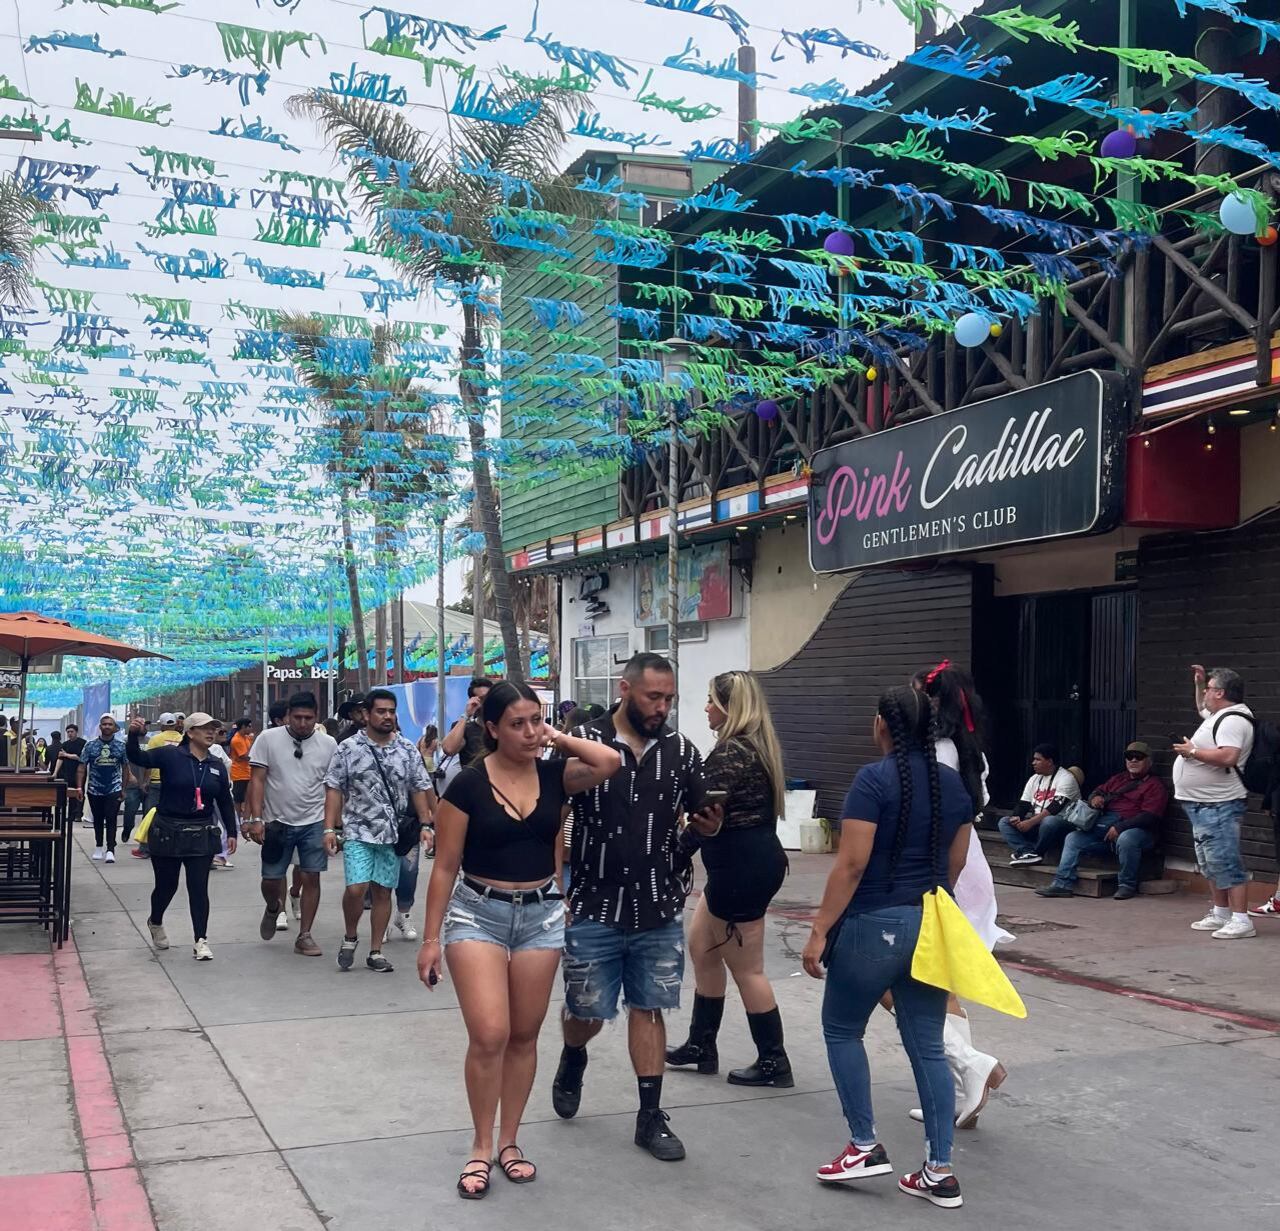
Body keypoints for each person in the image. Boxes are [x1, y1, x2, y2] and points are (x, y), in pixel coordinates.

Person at [418, 682, 621, 1198]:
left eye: (537, 720)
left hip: (542, 918)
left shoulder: (556, 774)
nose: (530, 732)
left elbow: (609, 762)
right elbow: (444, 867)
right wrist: (430, 939)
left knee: (525, 1036)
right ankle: (480, 1146)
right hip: (477, 914)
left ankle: (510, 1142)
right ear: (491, 729)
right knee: (490, 1034)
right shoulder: (466, 785)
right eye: (517, 723)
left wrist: (558, 736)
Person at [802, 686, 975, 1209]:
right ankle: (939, 1170)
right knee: (925, 1044)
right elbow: (957, 864)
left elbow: (851, 864)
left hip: (872, 923)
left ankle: (863, 1145)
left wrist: (819, 931)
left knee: (841, 1029)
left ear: (881, 724)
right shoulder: (954, 784)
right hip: (929, 922)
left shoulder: (872, 781)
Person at [550, 652, 721, 1162]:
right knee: (588, 1012)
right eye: (653, 697)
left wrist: (704, 829)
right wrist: (555, 888)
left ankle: (650, 1117)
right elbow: (553, 815)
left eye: (669, 698)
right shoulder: (589, 743)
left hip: (658, 906)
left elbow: (696, 817)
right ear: (626, 689)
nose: (662, 707)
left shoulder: (682, 752)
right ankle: (573, 1053)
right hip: (594, 904)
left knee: (650, 1007)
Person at [666, 671, 791, 1088]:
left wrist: (673, 857)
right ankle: (702, 1044)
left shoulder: (729, 754)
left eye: (710, 700)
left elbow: (702, 818)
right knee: (702, 946)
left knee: (748, 969)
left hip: (741, 870)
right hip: (744, 864)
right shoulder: (755, 748)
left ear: (728, 707)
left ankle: (774, 1061)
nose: (705, 708)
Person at [903, 662, 1010, 1130]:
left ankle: (971, 1067)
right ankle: (962, 1088)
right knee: (938, 984)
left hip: (939, 867)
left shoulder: (931, 754)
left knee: (909, 983)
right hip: (969, 865)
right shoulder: (969, 751)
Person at [324, 688, 433, 972]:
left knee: (384, 892)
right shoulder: (348, 748)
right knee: (356, 888)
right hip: (358, 830)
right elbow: (333, 788)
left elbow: (420, 787)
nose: (387, 716)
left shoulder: (407, 749)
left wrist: (426, 824)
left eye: (391, 711)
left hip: (392, 834)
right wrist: (329, 829)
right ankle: (350, 936)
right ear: (367, 715)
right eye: (381, 711)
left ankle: (375, 951)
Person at [126, 713, 237, 961]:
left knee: (199, 888)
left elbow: (224, 801)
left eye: (214, 728)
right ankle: (155, 920)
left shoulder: (216, 765)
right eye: (204, 728)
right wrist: (134, 735)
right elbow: (137, 757)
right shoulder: (169, 755)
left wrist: (232, 831)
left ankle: (201, 940)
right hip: (168, 830)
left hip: (201, 832)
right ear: (190, 732)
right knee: (167, 885)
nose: (211, 732)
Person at [239, 692, 337, 958]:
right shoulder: (268, 740)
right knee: (271, 878)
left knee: (311, 876)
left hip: (313, 821)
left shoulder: (329, 744)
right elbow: (257, 780)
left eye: (308, 718)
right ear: (287, 717)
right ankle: (274, 906)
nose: (303, 723)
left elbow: (333, 788)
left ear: (316, 717)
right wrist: (255, 819)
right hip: (276, 822)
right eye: (297, 717)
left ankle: (304, 935)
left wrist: (331, 826)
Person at [1174, 665, 1256, 939]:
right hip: (1202, 803)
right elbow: (1202, 708)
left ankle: (1242, 919)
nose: (1205, 693)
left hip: (1219, 804)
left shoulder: (1233, 721)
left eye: (1209, 688)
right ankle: (1220, 913)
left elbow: (1228, 756)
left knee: (1227, 860)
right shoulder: (1220, 715)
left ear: (1220, 692)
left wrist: (1192, 751)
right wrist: (1198, 684)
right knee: (1210, 862)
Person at [1036, 741, 1169, 901]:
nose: (1133, 760)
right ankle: (1062, 884)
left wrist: (1121, 827)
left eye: (1139, 757)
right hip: (1105, 827)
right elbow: (1098, 791)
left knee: (1127, 839)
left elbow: (1150, 816)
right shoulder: (1119, 779)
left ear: (1149, 761)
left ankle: (1126, 885)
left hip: (1138, 831)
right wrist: (1095, 798)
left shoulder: (1155, 786)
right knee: (1073, 838)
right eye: (1129, 757)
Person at [996, 744, 1080, 865]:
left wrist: (1030, 822)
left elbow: (1055, 808)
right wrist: (1016, 817)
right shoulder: (1034, 778)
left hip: (1061, 825)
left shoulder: (1066, 778)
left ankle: (1037, 853)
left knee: (1050, 821)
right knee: (1004, 821)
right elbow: (1023, 804)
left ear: (1050, 761)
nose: (1033, 763)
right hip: (1039, 824)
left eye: (1038, 759)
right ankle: (1027, 851)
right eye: (1034, 759)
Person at [77, 714, 128, 863]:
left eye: (110, 724)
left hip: (114, 788)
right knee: (98, 818)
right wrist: (79, 787)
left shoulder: (120, 746)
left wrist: (124, 789)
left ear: (114, 728)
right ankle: (99, 846)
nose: (107, 726)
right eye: (104, 724)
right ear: (100, 727)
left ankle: (111, 849)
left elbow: (125, 768)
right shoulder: (90, 745)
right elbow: (82, 767)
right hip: (94, 788)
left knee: (111, 817)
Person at [441, 678, 497, 769]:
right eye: (482, 699)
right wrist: (466, 715)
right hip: (476, 781)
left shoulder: (504, 726)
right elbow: (449, 749)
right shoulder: (465, 729)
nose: (488, 702)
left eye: (491, 697)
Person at [52, 723, 87, 826]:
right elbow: (60, 759)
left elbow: (80, 757)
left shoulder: (83, 743)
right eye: (68, 732)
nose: (70, 734)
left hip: (80, 772)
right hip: (68, 772)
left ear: (76, 732)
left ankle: (78, 814)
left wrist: (66, 755)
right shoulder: (65, 744)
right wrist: (55, 773)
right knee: (70, 793)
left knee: (79, 792)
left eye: (72, 732)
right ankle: (71, 814)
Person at [229, 718, 254, 820]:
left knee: (247, 796)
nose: (251, 728)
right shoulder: (237, 740)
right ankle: (237, 818)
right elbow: (244, 755)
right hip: (239, 773)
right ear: (243, 727)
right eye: (249, 726)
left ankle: (245, 817)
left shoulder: (246, 737)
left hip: (247, 771)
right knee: (238, 798)